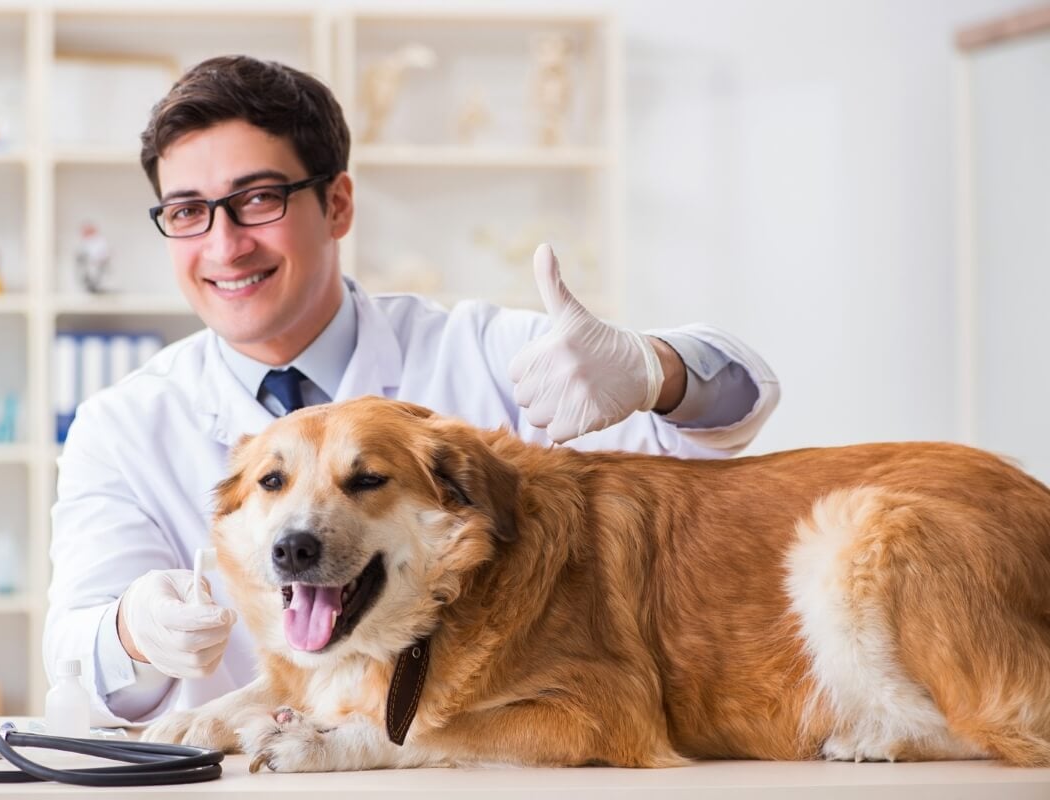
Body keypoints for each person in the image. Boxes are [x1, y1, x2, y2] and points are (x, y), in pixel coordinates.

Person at [44, 55, 780, 726]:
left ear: (337, 204)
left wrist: (658, 370)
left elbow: (729, 419)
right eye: (186, 212)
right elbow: (77, 679)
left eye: (258, 199)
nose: (225, 244)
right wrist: (131, 632)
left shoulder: (477, 352)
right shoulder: (121, 426)